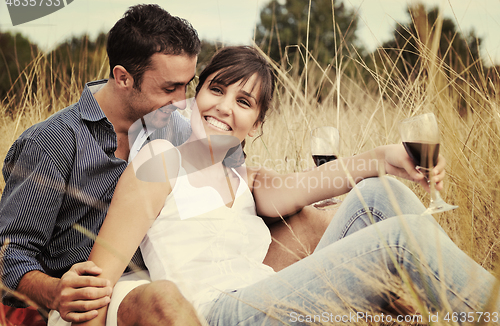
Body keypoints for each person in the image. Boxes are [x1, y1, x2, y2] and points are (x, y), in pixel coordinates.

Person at [84, 45, 500, 326]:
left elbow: (308, 186)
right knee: (395, 242)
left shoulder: (240, 177)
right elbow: (96, 280)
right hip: (216, 313)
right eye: (216, 89)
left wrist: (385, 158)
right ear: (196, 96)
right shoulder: (159, 160)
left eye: (244, 103)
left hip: (265, 295)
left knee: (379, 195)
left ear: (256, 124)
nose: (224, 108)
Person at [0, 3, 201, 325]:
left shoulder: (180, 131)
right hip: (90, 306)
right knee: (164, 305)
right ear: (123, 77)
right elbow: (9, 253)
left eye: (187, 84)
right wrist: (55, 291)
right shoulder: (51, 143)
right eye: (169, 88)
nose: (182, 100)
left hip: (174, 280)